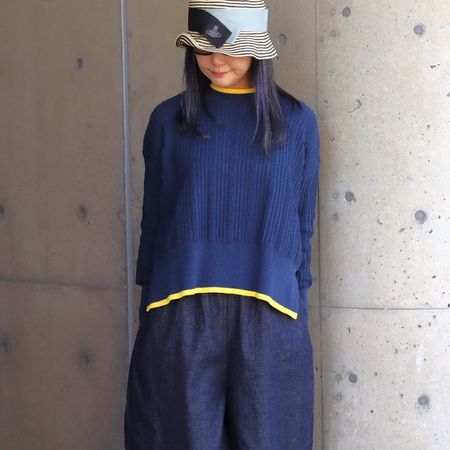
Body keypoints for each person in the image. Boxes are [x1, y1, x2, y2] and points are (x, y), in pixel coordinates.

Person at [124, 0, 320, 449]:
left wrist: (297, 308)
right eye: (205, 47)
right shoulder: (168, 120)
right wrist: (149, 312)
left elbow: (301, 226)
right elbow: (154, 222)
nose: (216, 60)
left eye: (231, 48)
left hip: (270, 312)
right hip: (179, 310)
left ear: (258, 50)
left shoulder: (297, 122)